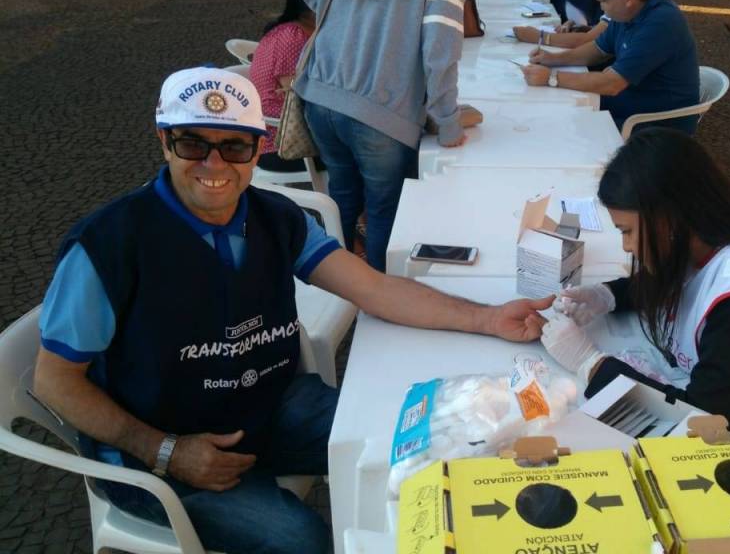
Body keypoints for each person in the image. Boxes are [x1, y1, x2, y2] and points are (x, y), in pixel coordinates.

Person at [32, 67, 552, 554]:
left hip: (270, 404)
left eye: (234, 145)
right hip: (161, 446)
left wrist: (488, 318)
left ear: (258, 148)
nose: (214, 164)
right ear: (163, 140)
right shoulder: (107, 245)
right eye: (192, 143)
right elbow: (55, 381)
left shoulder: (276, 216)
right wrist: (164, 449)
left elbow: (373, 289)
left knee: (431, 442)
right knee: (301, 539)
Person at [540, 128, 730, 433]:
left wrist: (592, 364)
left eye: (628, 231)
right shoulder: (709, 233)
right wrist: (607, 295)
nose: (626, 246)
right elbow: (679, 279)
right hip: (721, 406)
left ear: (669, 218)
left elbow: (703, 419)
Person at [290, 0, 466, 272]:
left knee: (343, 197)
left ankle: (338, 285)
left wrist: (332, 9)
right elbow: (440, 48)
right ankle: (375, 295)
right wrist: (448, 120)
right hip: (383, 108)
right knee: (384, 212)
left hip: (322, 94)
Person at [520, 0, 701, 134]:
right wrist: (553, 59)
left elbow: (612, 84)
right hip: (631, 101)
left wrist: (552, 78)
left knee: (563, 128)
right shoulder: (631, 10)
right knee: (553, 111)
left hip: (656, 123)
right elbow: (597, 50)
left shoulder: (661, 23)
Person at [249, 0, 315, 174]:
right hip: (279, 145)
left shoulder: (289, 30)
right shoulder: (294, 36)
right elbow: (296, 95)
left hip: (279, 137)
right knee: (361, 151)